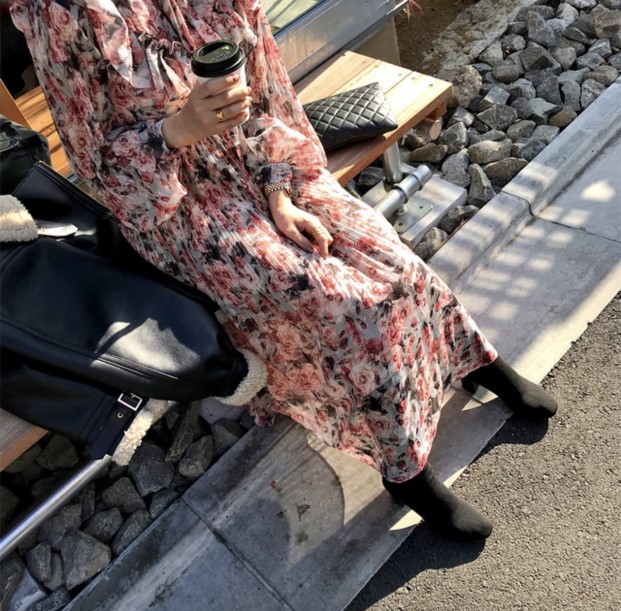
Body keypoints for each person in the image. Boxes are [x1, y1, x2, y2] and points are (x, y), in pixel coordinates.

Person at [11, 0, 557, 540]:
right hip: (181, 210)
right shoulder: (65, 14)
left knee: (397, 264)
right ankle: (404, 468)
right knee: (343, 305)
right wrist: (176, 130)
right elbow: (97, 167)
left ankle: (471, 357)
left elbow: (273, 96)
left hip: (267, 168)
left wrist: (280, 190)